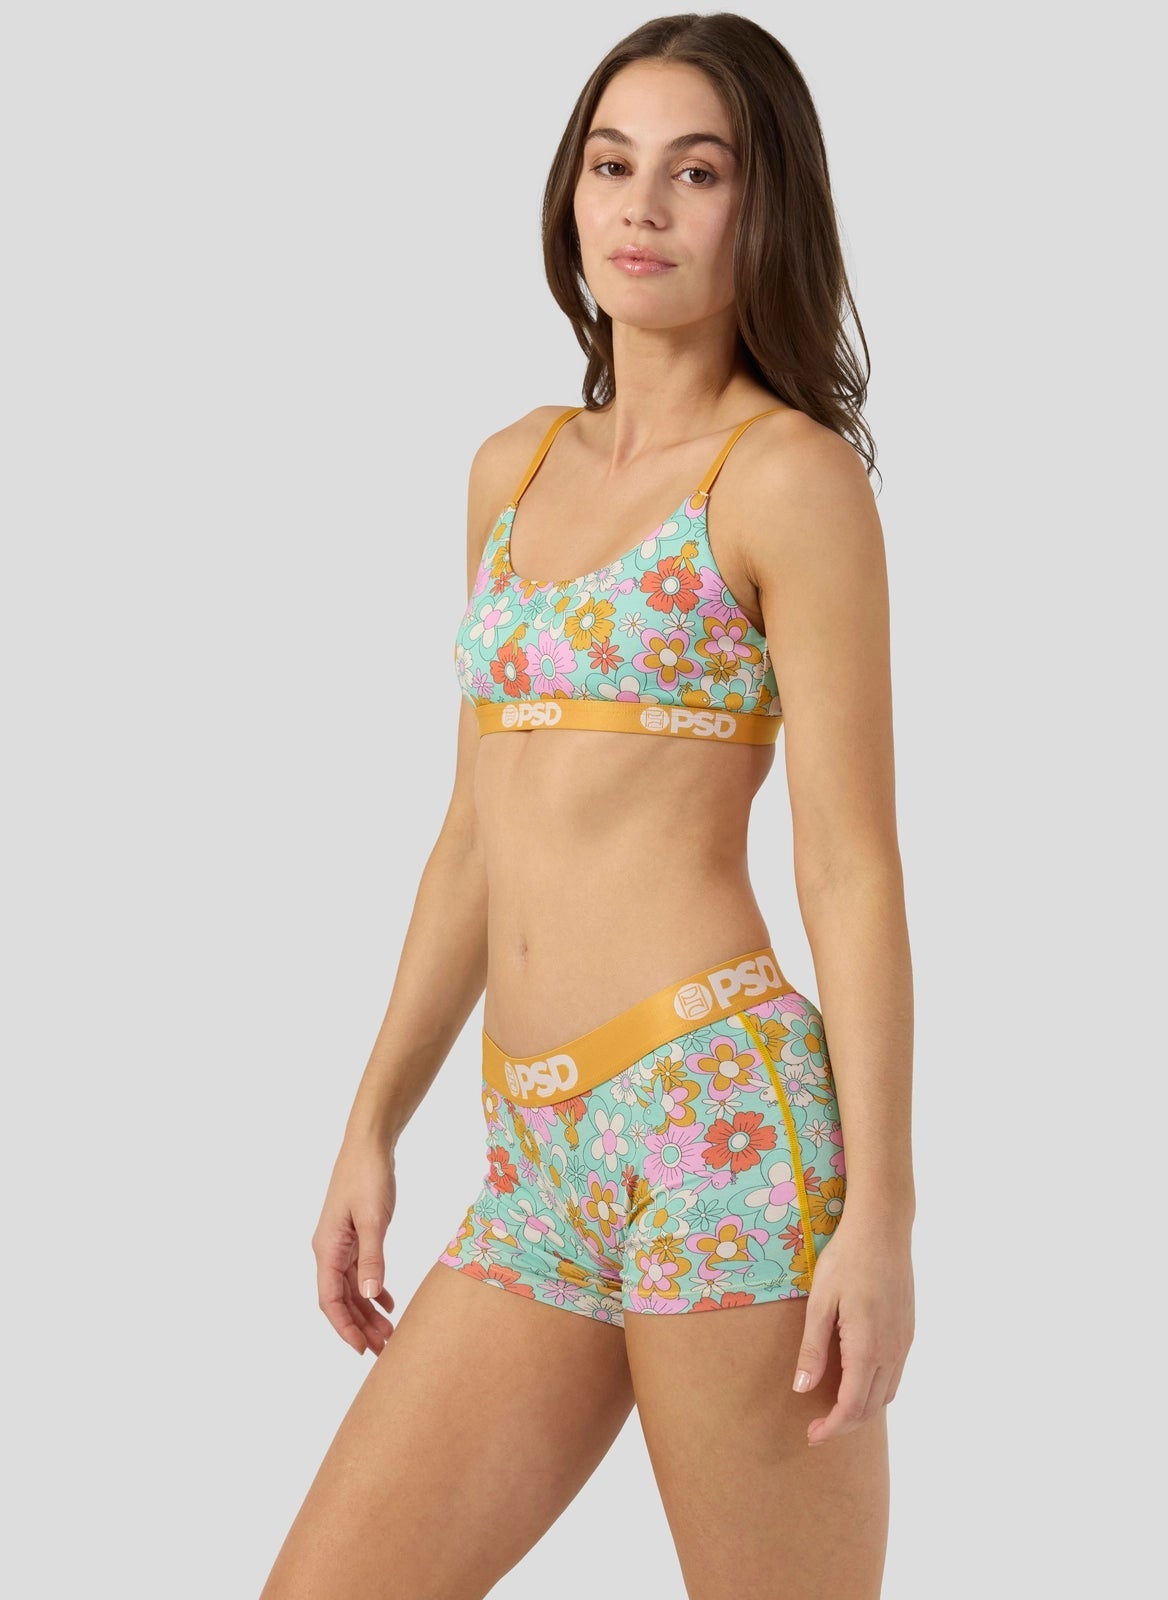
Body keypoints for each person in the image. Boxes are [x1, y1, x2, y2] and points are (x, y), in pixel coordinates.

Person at [261, 12, 914, 1599]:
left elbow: (849, 867)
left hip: (719, 1129)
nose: (643, 206)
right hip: (533, 1154)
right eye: (613, 166)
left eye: (697, 173)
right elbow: (473, 840)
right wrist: (372, 1122)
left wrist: (883, 1215)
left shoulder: (789, 480)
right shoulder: (513, 467)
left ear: (764, 208)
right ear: (571, 193)